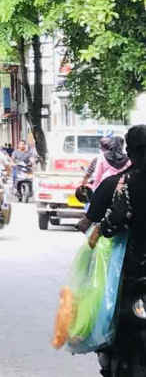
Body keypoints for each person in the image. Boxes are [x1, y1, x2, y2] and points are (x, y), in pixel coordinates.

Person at [76, 125, 146, 375]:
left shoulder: (119, 183)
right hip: (134, 274)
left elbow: (104, 221)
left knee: (107, 311)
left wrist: (97, 227)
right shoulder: (117, 182)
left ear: (130, 151)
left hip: (131, 270)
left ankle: (108, 352)